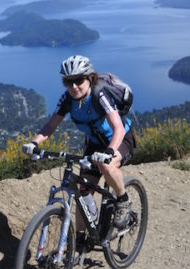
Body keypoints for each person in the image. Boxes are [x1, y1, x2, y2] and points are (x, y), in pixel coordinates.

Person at [22, 55, 137, 240]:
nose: (74, 86)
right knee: (82, 192)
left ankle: (123, 200)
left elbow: (118, 127)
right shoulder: (68, 99)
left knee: (107, 166)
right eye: (68, 82)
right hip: (94, 144)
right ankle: (82, 241)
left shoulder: (99, 95)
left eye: (78, 81)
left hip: (121, 139)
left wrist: (110, 151)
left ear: (89, 78)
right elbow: (50, 126)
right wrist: (34, 143)